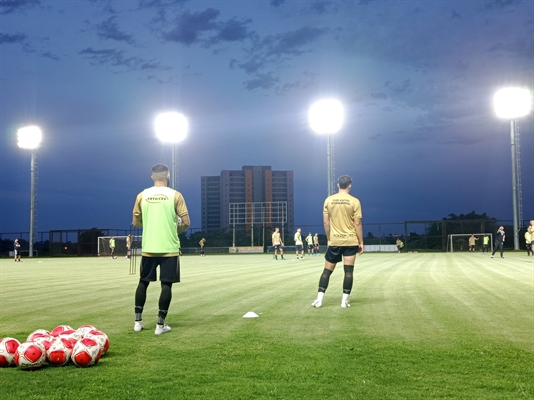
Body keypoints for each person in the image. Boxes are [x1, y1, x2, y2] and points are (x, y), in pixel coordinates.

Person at [132, 164, 190, 335]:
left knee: (143, 282)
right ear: (168, 176)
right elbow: (186, 222)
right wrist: (176, 228)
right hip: (169, 248)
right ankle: (160, 325)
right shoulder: (175, 195)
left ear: (152, 177)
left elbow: (135, 222)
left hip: (149, 247)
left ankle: (138, 322)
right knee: (166, 285)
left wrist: (149, 222)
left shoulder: (142, 195)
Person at [311, 175, 363, 308]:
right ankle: (344, 301)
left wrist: (329, 238)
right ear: (350, 185)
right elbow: (357, 224)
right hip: (350, 241)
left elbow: (326, 221)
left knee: (327, 271)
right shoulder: (355, 201)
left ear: (338, 185)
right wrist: (361, 242)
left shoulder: (329, 200)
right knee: (349, 271)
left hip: (335, 241)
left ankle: (319, 300)